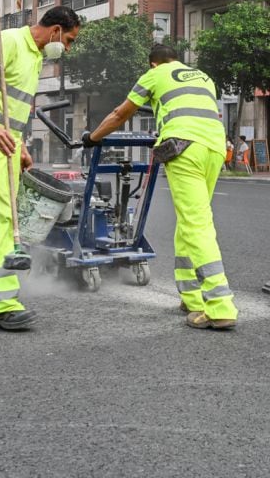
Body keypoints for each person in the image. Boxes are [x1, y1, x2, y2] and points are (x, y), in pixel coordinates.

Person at [85, 44, 238, 330]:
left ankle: (220, 305)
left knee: (197, 224)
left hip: (184, 147)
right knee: (189, 221)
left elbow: (120, 114)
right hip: (215, 148)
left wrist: (93, 138)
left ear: (154, 64)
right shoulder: (203, 77)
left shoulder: (154, 75)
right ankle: (191, 297)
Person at [0, 6, 80, 331]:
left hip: (5, 147)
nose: (66, 48)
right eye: (68, 40)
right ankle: (1, 305)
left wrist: (20, 144)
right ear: (54, 30)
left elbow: (13, 110)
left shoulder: (35, 57)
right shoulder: (8, 41)